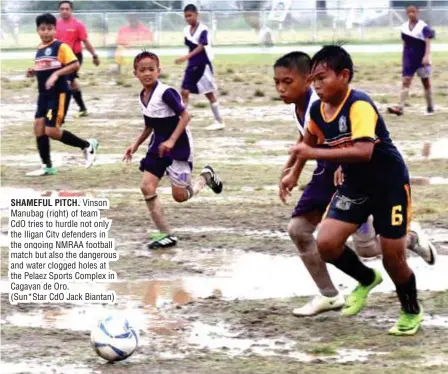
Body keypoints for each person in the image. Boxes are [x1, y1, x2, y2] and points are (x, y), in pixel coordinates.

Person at [276, 51, 436, 317]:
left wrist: (314, 156)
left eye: (321, 78)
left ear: (344, 76)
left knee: (389, 257)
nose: (316, 86)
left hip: (388, 185)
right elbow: (310, 139)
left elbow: (363, 151)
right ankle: (361, 281)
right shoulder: (316, 108)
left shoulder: (359, 104)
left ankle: (410, 312)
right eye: (313, 80)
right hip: (353, 184)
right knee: (326, 243)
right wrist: (293, 172)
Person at [123, 51, 223, 250]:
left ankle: (206, 177)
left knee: (180, 196)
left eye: (151, 69)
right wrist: (135, 145)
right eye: (142, 70)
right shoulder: (142, 96)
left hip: (178, 147)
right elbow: (149, 125)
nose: (147, 73)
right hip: (157, 146)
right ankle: (167, 235)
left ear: (159, 71)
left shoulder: (166, 92)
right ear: (135, 74)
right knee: (146, 187)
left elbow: (186, 116)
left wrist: (171, 140)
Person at [26, 13, 98, 177]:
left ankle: (87, 145)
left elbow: (75, 64)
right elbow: (45, 68)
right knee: (38, 128)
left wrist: (56, 74)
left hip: (57, 95)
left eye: (49, 29)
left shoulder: (61, 46)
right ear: (38, 30)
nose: (46, 32)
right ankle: (47, 167)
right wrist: (33, 71)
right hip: (43, 96)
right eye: (42, 29)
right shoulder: (39, 49)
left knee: (51, 131)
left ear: (55, 29)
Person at [175, 4, 225, 131]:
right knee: (184, 91)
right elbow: (190, 45)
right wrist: (187, 59)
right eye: (185, 16)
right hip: (192, 64)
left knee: (209, 93)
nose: (187, 18)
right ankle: (182, 120)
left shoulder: (203, 29)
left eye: (190, 15)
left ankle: (219, 121)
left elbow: (201, 46)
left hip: (202, 64)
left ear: (197, 14)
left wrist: (185, 57)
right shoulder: (186, 30)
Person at [388, 4, 435, 116]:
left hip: (421, 58)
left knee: (425, 82)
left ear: (418, 12)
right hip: (409, 57)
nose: (411, 14)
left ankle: (430, 107)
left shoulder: (423, 26)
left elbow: (428, 41)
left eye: (413, 11)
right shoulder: (404, 27)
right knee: (406, 81)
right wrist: (403, 58)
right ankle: (400, 107)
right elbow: (405, 43)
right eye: (409, 12)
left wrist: (426, 56)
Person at [56, 0, 100, 118]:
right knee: (71, 83)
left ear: (71, 10)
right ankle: (83, 109)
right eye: (62, 9)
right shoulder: (55, 25)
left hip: (74, 58)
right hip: (61, 59)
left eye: (67, 9)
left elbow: (85, 41)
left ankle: (61, 110)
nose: (64, 11)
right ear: (59, 11)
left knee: (67, 81)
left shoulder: (78, 25)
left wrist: (94, 55)